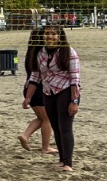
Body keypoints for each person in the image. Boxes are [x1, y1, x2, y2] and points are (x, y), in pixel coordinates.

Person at [33, 25, 81, 172]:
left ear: (60, 36)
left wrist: (74, 101)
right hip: (48, 92)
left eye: (54, 34)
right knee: (56, 127)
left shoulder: (69, 52)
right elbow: (36, 75)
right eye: (47, 33)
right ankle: (62, 159)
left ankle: (68, 163)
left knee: (65, 128)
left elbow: (75, 78)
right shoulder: (40, 53)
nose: (50, 36)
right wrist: (28, 96)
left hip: (65, 91)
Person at [16, 28, 55, 155]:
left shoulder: (31, 52)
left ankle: (25, 135)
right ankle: (46, 147)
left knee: (41, 118)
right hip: (37, 88)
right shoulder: (42, 54)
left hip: (29, 87)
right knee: (48, 118)